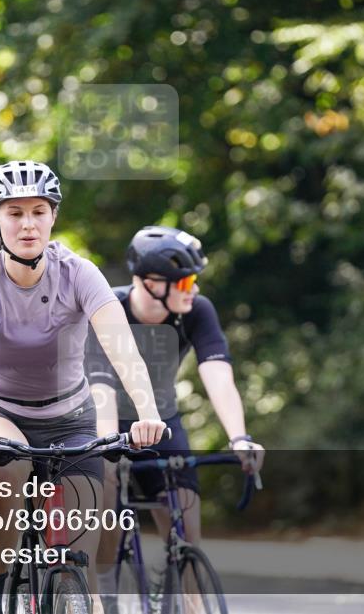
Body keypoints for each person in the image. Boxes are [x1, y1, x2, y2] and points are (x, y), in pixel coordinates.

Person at [0, 160, 167, 614]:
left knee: (80, 564)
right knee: (8, 472)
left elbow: (122, 347)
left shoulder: (78, 273)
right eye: (15, 212)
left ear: (53, 216)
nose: (28, 224)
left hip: (70, 416)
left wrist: (149, 413)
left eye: (38, 211)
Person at [86, 225, 265, 610]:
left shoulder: (196, 310)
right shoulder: (109, 310)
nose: (194, 290)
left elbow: (218, 374)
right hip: (106, 421)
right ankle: (105, 589)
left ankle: (188, 594)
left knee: (186, 525)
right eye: (186, 282)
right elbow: (98, 386)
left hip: (162, 422)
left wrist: (239, 437)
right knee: (106, 483)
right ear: (151, 283)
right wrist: (106, 447)